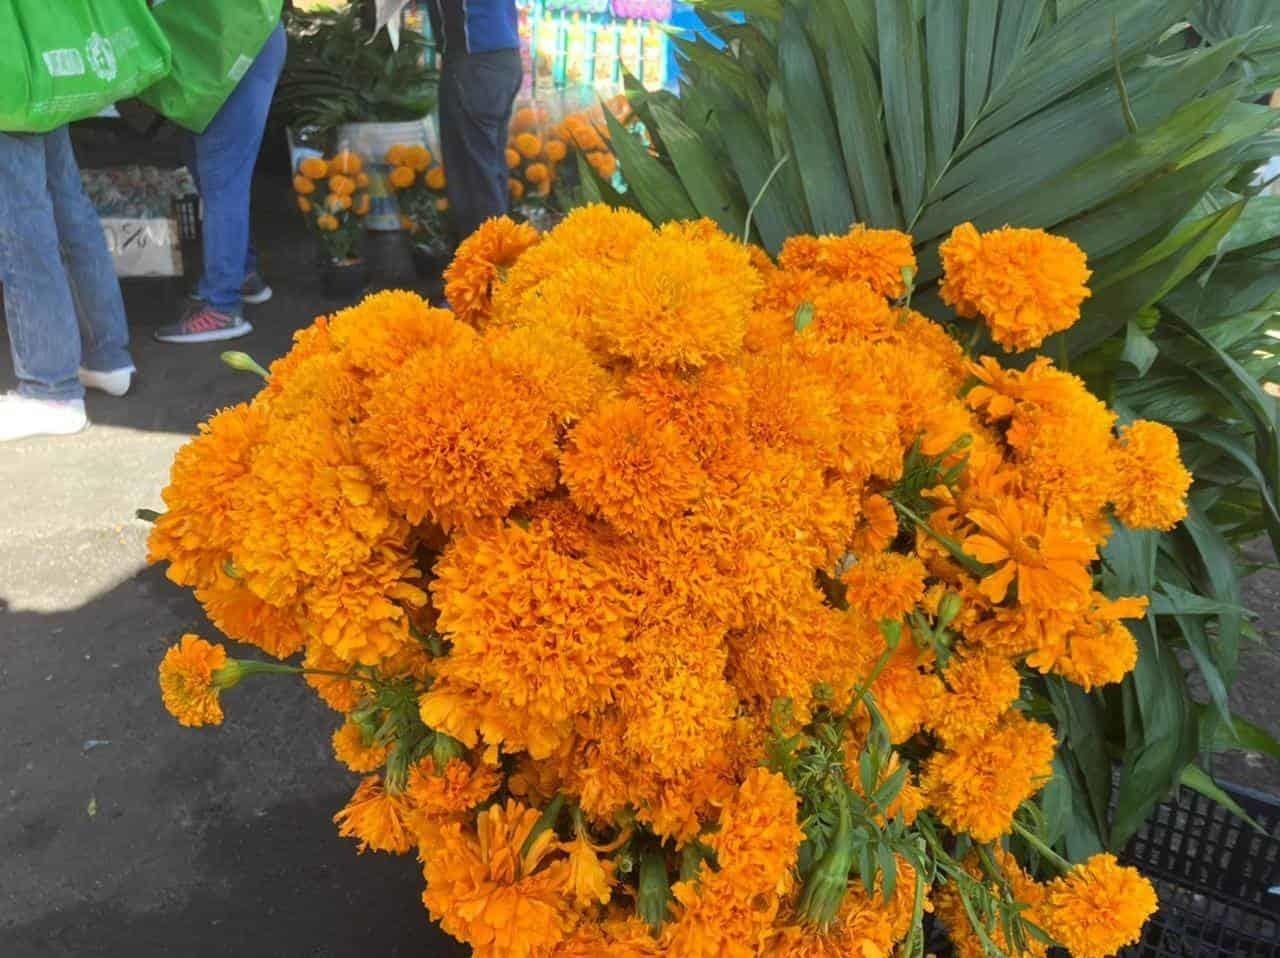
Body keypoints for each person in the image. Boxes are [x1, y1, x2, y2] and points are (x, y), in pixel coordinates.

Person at [154, 22, 287, 344]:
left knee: (223, 183)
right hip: (232, 42)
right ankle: (241, 273)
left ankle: (222, 308)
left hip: (232, 47)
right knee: (207, 166)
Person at [0, 126, 135, 442]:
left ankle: (50, 389)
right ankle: (104, 358)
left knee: (20, 219)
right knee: (65, 196)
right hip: (39, 88)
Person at [429, 0, 523, 242]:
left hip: (473, 59)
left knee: (472, 177)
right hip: (502, 57)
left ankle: (487, 267)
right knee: (490, 168)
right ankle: (498, 261)